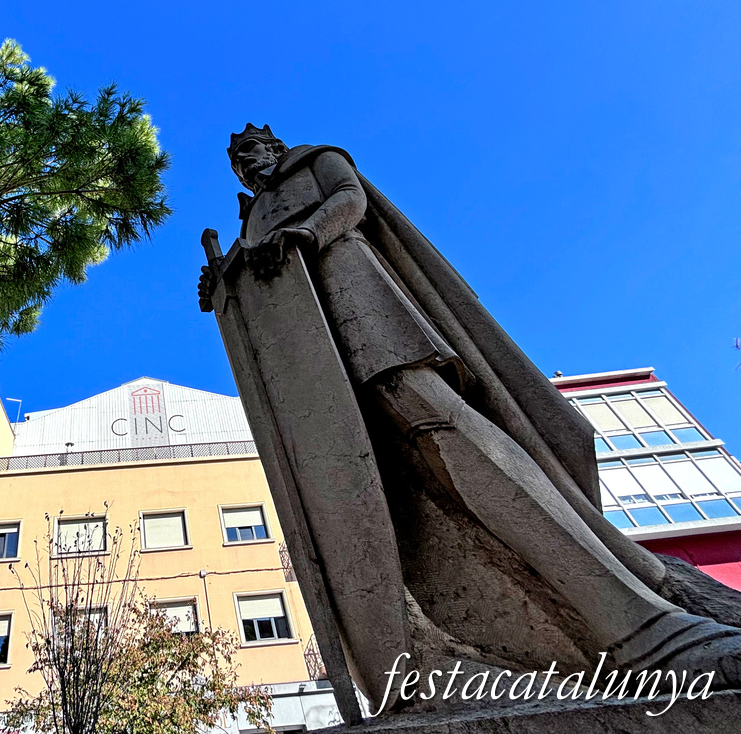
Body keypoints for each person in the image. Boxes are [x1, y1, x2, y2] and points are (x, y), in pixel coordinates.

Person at [200, 124, 741, 701]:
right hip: (314, 359)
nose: (244, 165)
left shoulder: (316, 160)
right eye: (236, 161)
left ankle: (643, 623)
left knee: (439, 416)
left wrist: (308, 230)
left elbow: (350, 202)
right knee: (403, 466)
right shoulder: (248, 218)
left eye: (250, 152)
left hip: (362, 302)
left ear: (275, 147)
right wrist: (226, 283)